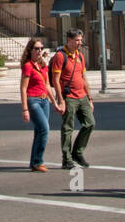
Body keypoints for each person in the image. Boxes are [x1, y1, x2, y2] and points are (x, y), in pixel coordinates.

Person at [49, 29, 94, 170]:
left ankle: (77, 152)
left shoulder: (80, 56)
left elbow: (84, 78)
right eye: (77, 40)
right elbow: (55, 81)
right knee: (68, 127)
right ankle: (66, 158)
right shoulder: (60, 57)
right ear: (69, 40)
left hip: (82, 96)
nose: (80, 43)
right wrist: (61, 100)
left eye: (80, 40)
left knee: (90, 123)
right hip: (69, 97)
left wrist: (90, 98)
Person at [20, 37, 64, 172]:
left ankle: (34, 161)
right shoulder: (28, 66)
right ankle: (39, 161)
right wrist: (25, 109)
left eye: (41, 48)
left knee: (39, 131)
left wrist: (55, 103)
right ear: (30, 50)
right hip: (33, 100)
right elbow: (23, 88)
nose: (39, 51)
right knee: (45, 129)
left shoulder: (43, 65)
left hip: (44, 100)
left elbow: (47, 86)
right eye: (36, 49)